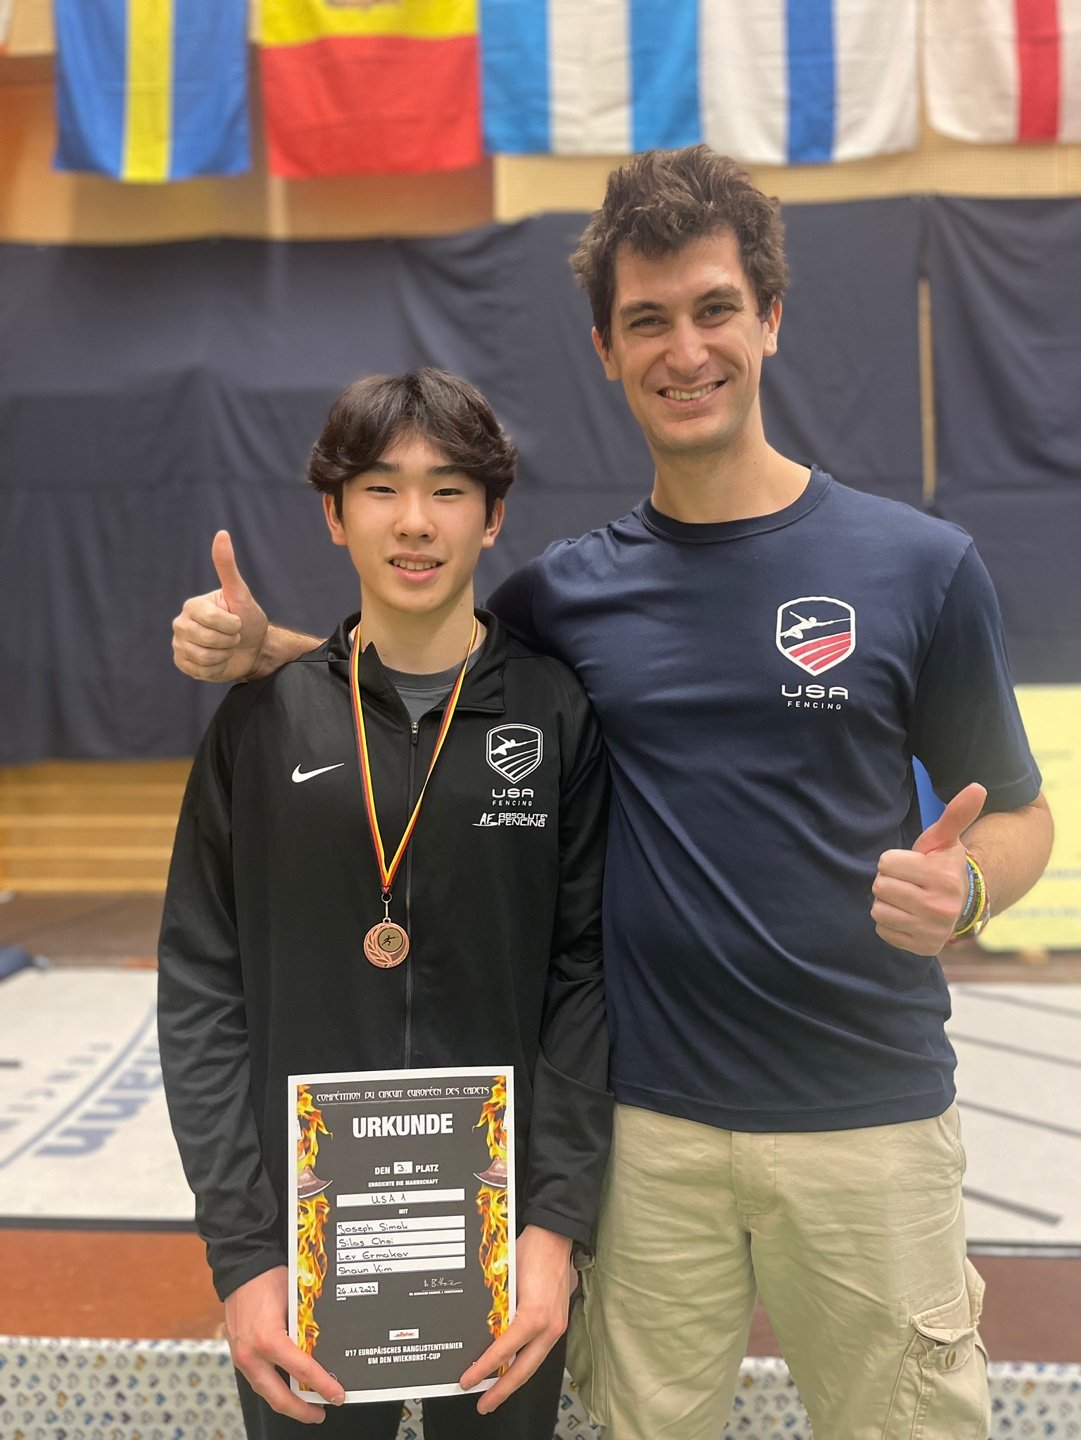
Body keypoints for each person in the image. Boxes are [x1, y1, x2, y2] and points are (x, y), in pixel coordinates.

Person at [170, 148, 1054, 1440]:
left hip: (870, 1128)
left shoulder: (919, 567)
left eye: (711, 309)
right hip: (652, 1145)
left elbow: (1022, 816)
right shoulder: (567, 597)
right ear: (604, 348)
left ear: (769, 317)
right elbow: (436, 659)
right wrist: (273, 656)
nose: (683, 348)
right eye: (646, 320)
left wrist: (970, 887)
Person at [158, 368, 612, 1440]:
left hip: (501, 1251)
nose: (415, 523)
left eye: (450, 489)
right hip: (305, 1262)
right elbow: (200, 994)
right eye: (380, 488)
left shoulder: (551, 715)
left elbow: (585, 979)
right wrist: (245, 1254)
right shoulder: (259, 727)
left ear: (495, 515)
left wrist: (553, 1226)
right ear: (332, 513)